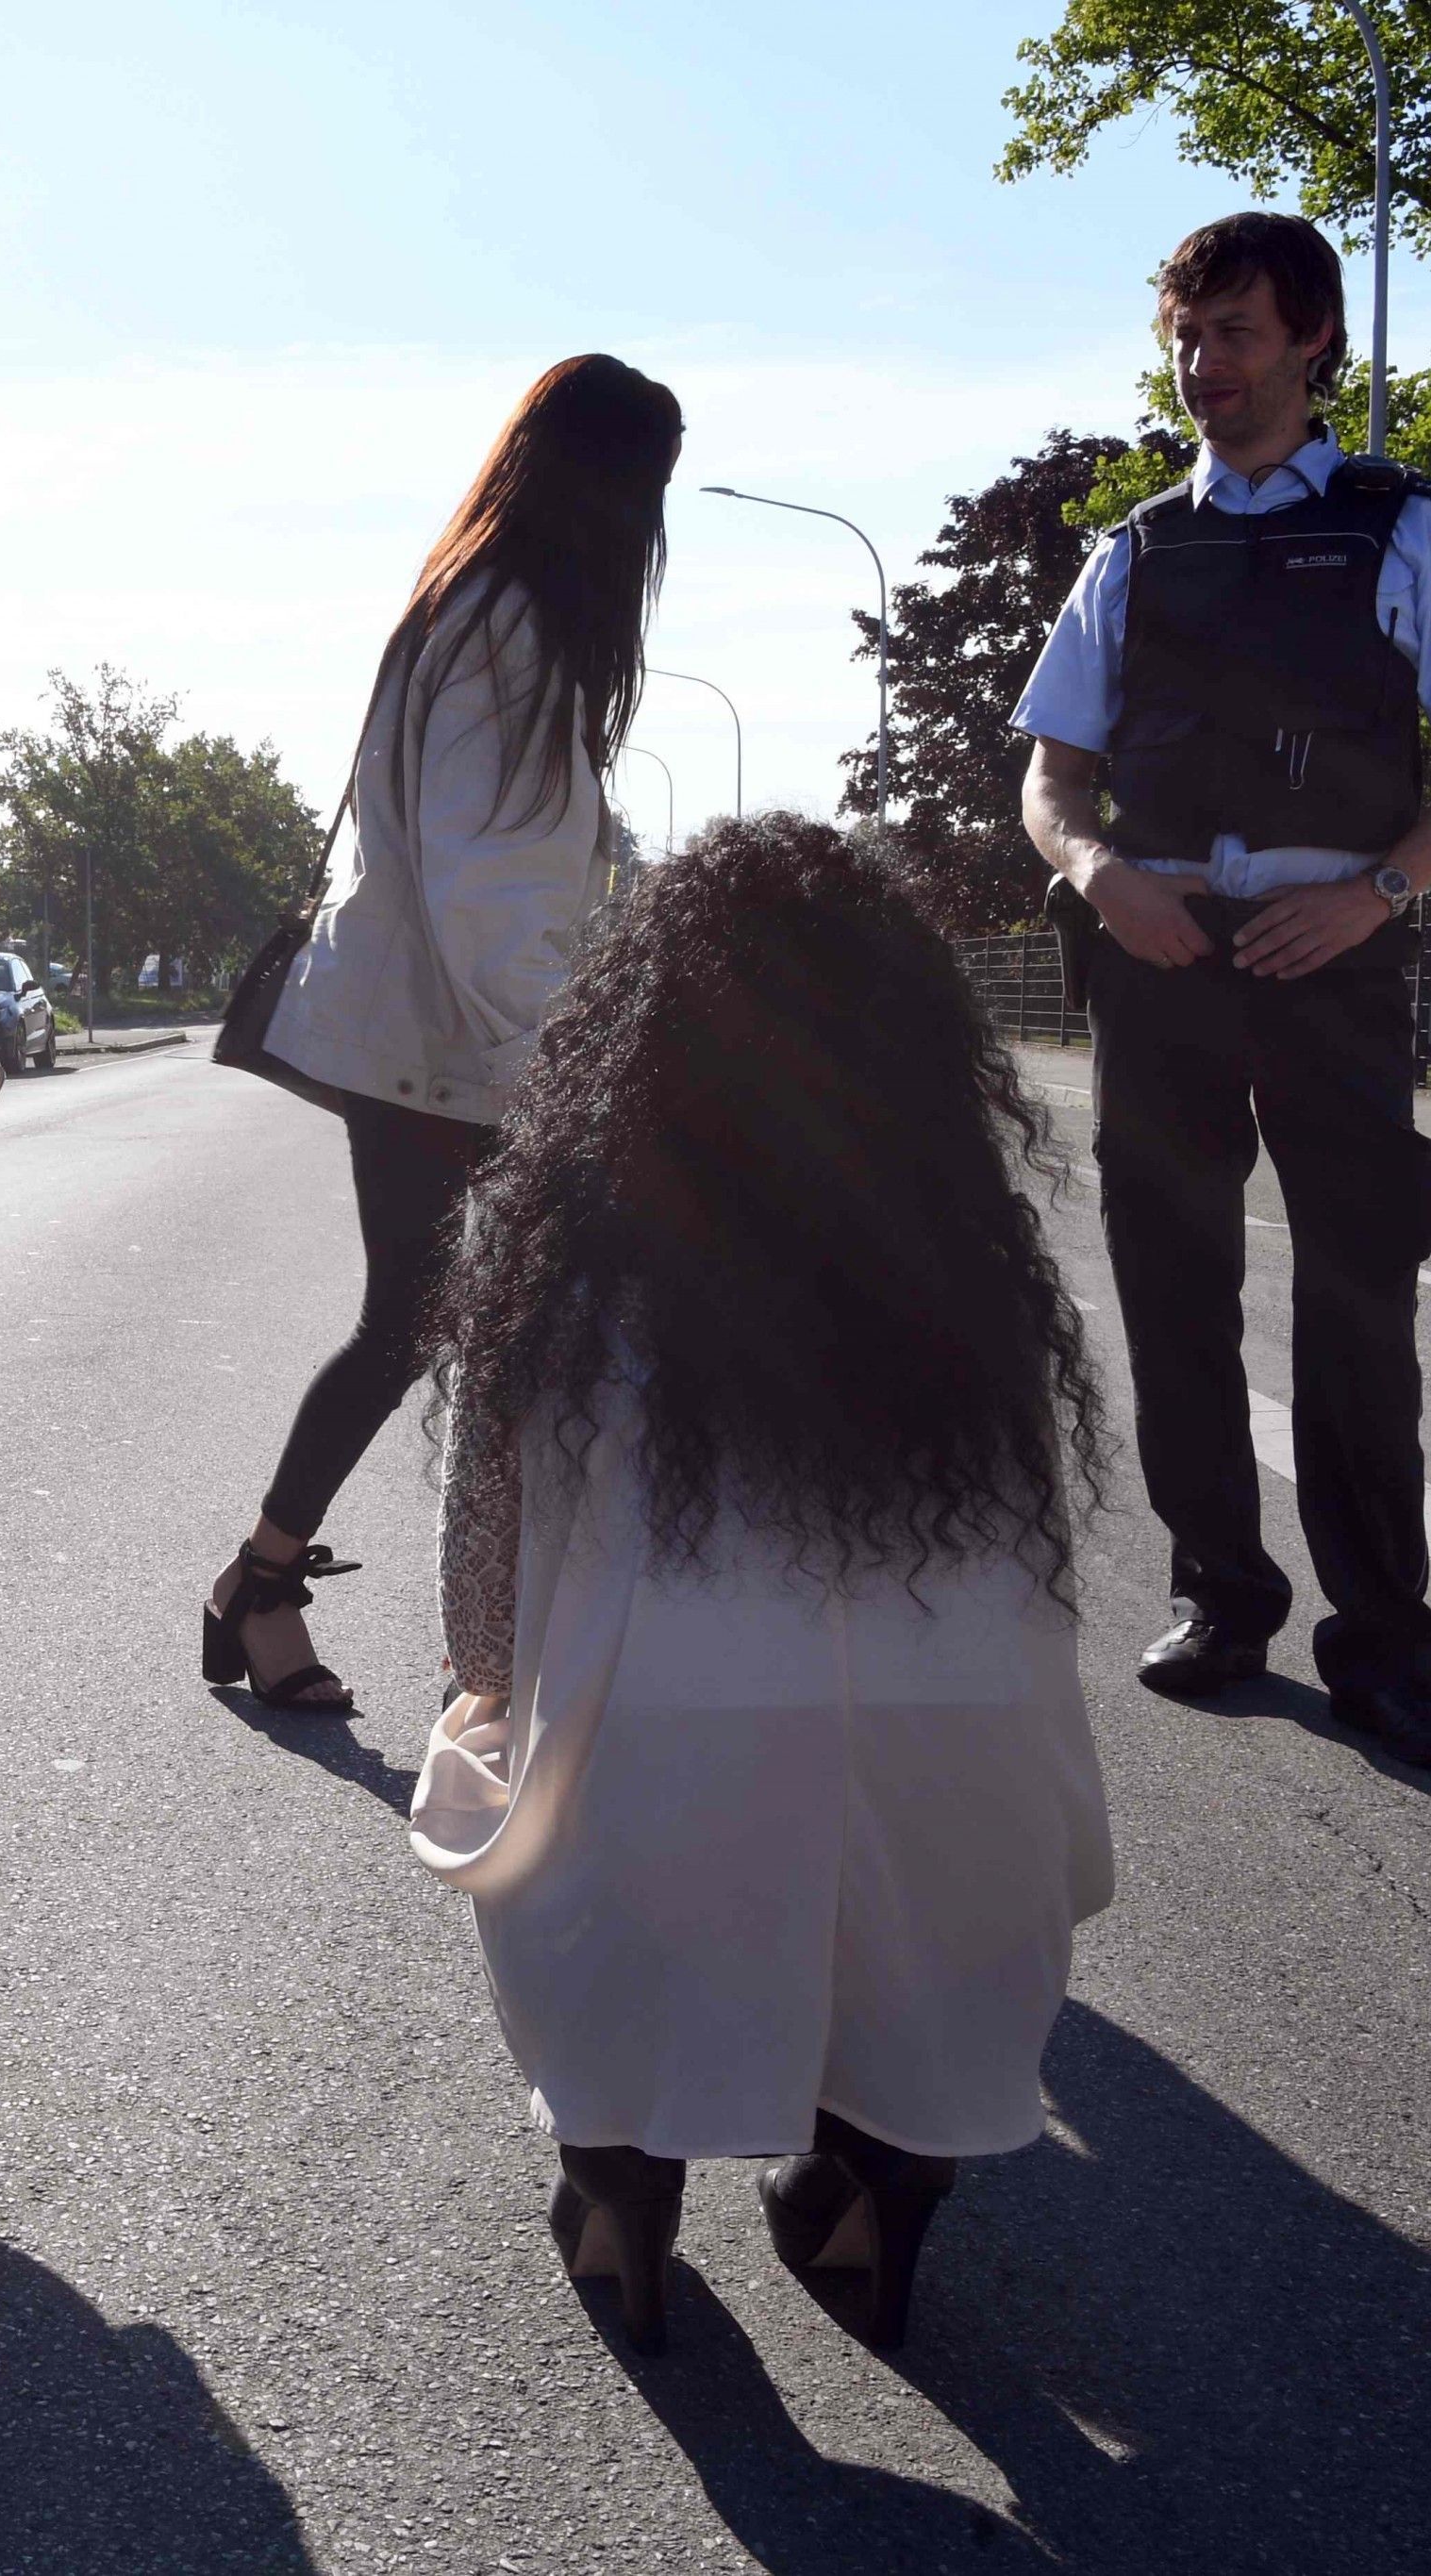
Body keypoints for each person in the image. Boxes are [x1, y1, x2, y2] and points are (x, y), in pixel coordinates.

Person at [408, 817, 1115, 2356]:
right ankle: (877, 2170)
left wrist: (496, 1691)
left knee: (522, 1766)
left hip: (662, 1784)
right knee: (898, 1845)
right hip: (970, 1803)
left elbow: (484, 1608)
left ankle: (616, 2173)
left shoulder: (559, 1252)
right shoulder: (970, 1262)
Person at [202, 355, 685, 1712]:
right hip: (451, 1044)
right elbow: (486, 887)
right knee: (452, 1322)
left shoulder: (473, 604)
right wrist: (579, 1069)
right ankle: (326, 1596)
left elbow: (513, 864)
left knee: (447, 1324)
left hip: (440, 1039)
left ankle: (283, 1586)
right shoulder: (507, 626)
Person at [1017, 211, 1431, 1760]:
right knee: (1172, 1287)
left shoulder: (1404, 528)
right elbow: (1054, 778)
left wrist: (1379, 890)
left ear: (1316, 339)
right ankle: (1217, 1589)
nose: (1207, 367)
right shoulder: (1135, 552)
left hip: (1333, 955)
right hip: (1163, 956)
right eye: (1188, 337)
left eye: (1238, 334)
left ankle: (1388, 1633)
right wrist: (1098, 875)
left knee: (1356, 1299)